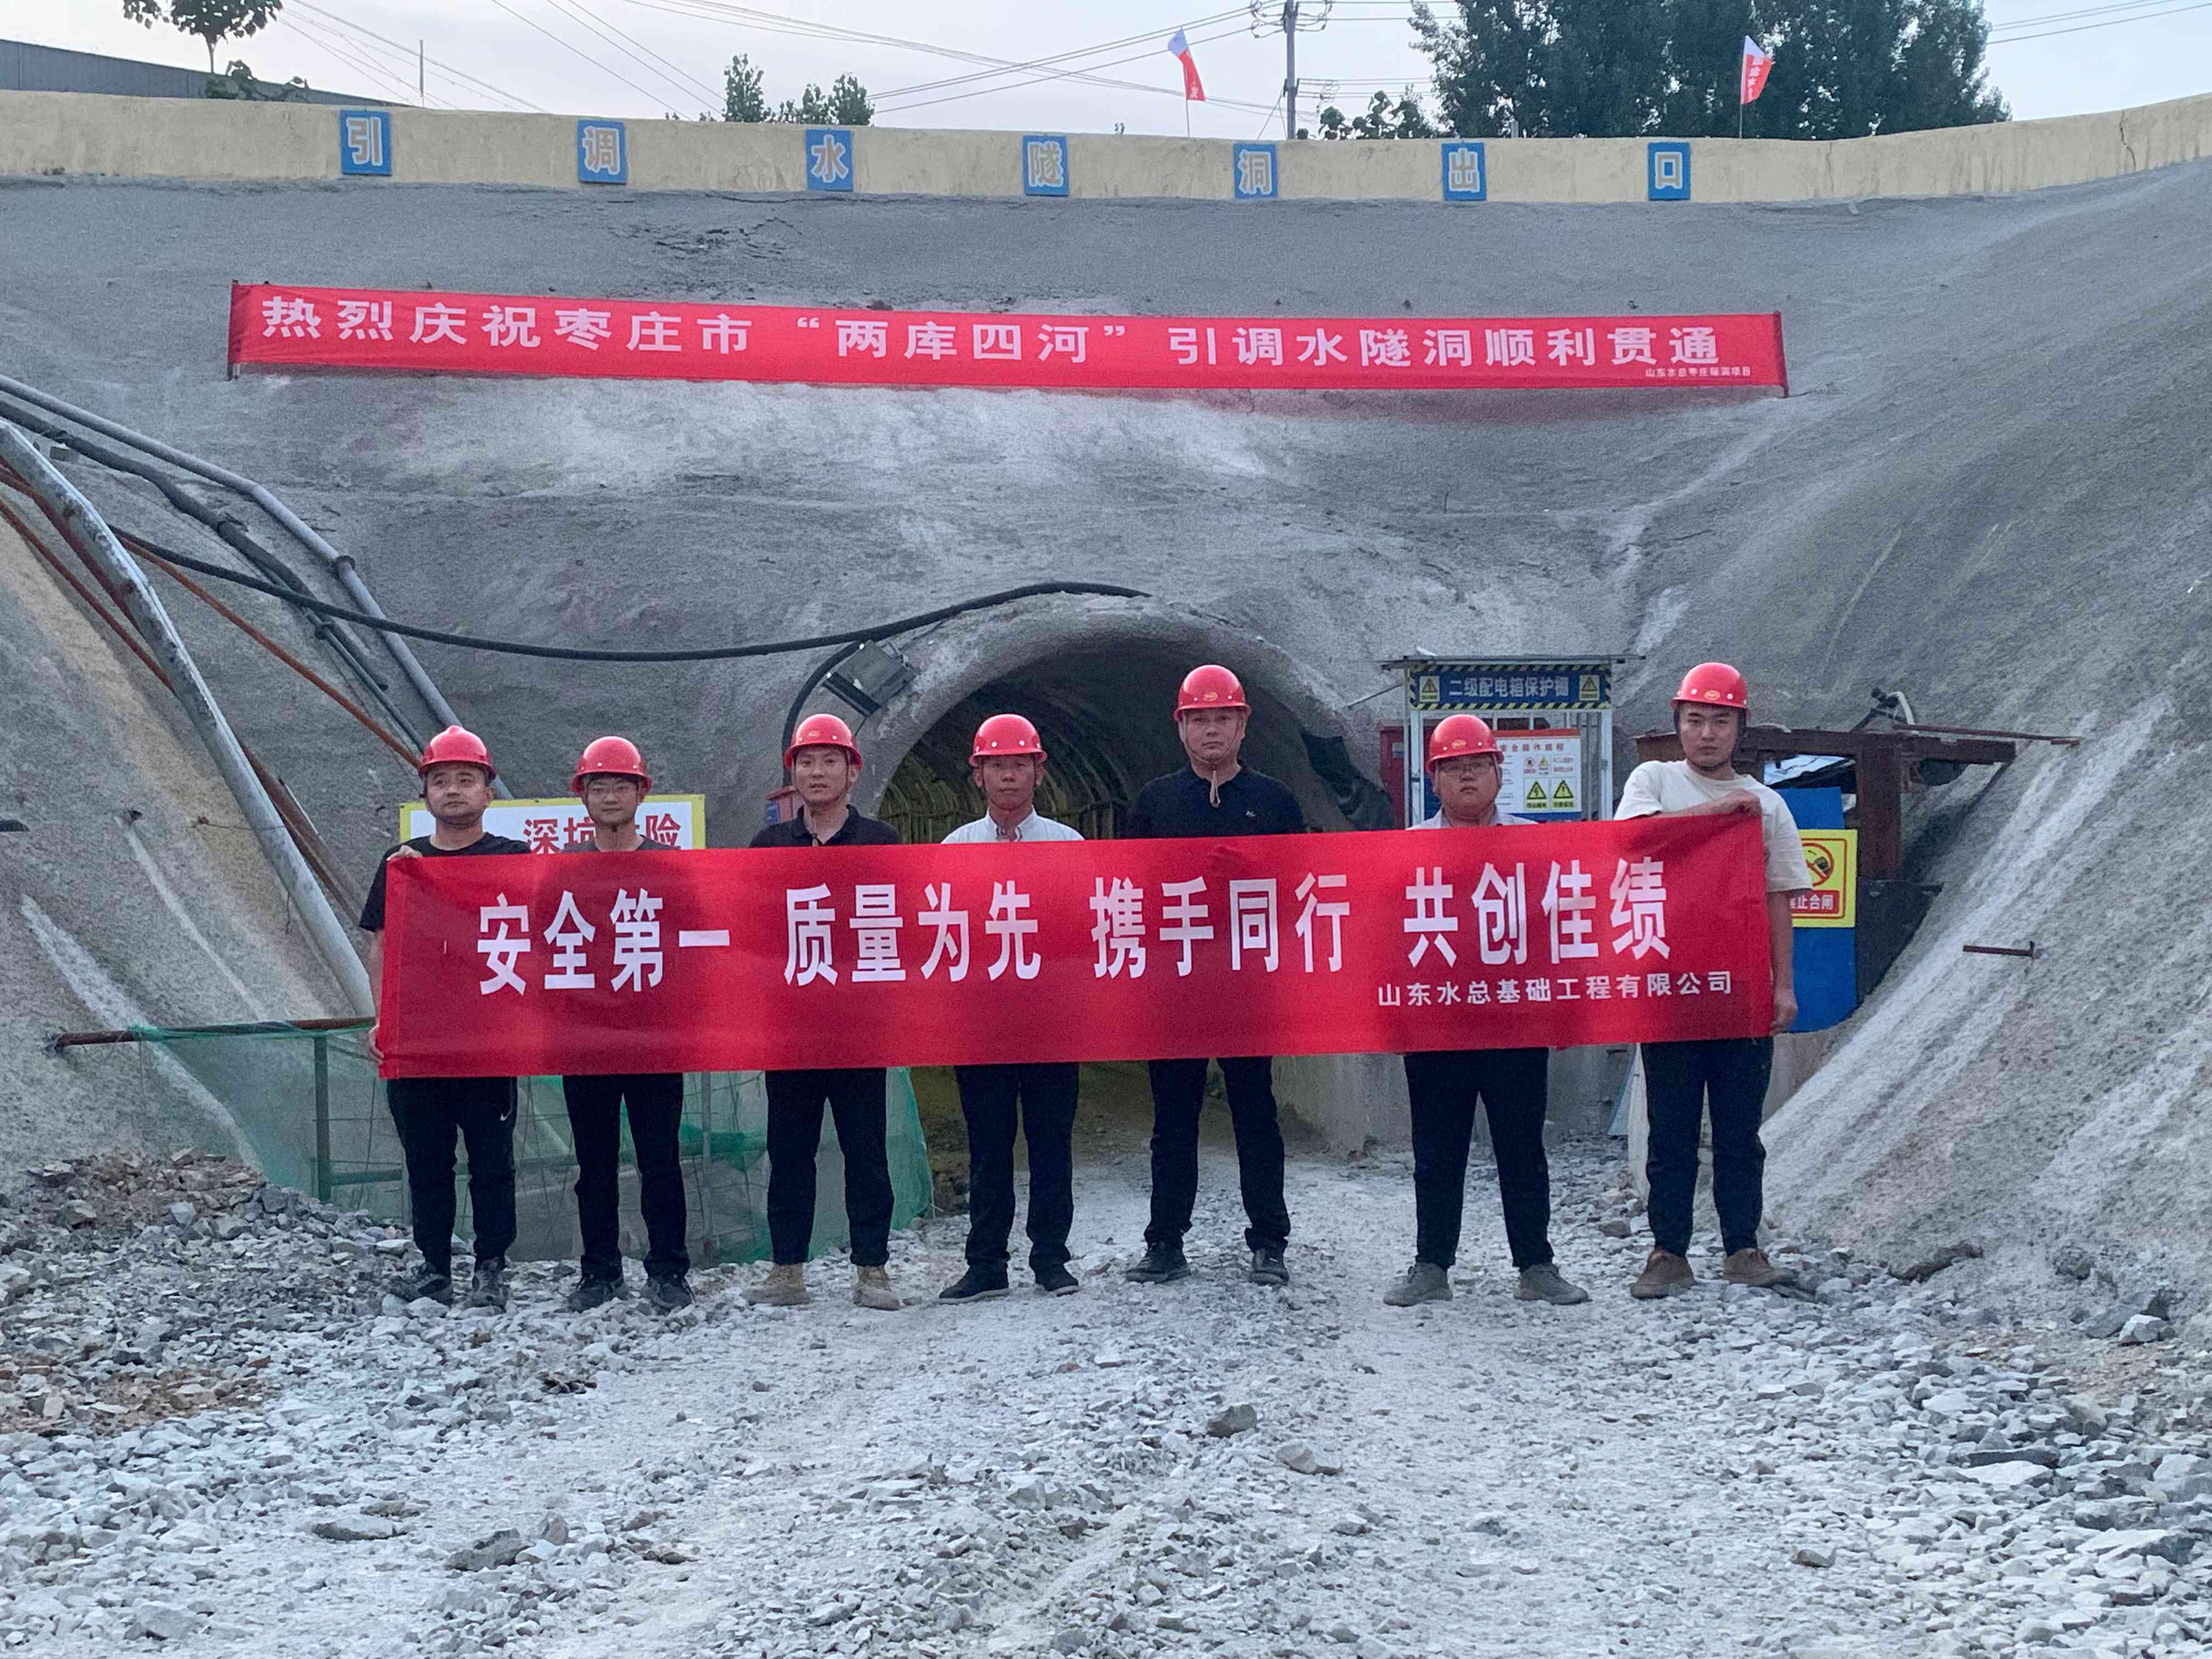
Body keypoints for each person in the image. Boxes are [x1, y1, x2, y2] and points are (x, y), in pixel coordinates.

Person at [1615, 662, 1812, 1299]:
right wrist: (1719, 814)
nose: (1706, 733)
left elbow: (1780, 897)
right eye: (1695, 719)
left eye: (1720, 721)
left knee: (1738, 1132)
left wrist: (1784, 985)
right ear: (1678, 724)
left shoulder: (1769, 805)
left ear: (1739, 728)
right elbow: (1634, 842)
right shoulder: (1653, 781)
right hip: (1670, 988)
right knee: (1671, 1129)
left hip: (1742, 988)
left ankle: (1743, 1248)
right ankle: (1668, 1251)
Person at [1385, 715, 1588, 1309]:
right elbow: (1388, 943)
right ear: (1433, 780)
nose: (1467, 776)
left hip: (1516, 1024)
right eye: (1453, 767)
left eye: (1477, 764)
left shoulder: (1536, 846)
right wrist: (1392, 1016)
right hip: (1437, 1025)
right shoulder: (1406, 852)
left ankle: (1536, 1266)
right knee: (1436, 1151)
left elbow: (1558, 934)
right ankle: (1431, 1266)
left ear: (1500, 772)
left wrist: (1565, 1010)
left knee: (1521, 1148)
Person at [1122, 664, 1305, 1289]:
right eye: (1199, 719)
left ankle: (1269, 1241)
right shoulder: (1155, 803)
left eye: (1222, 718)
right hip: (1176, 987)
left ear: (1243, 724)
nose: (1211, 730)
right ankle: (1165, 1241)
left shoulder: (1275, 801)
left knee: (1256, 1113)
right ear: (1180, 728)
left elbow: (1299, 889)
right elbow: (1131, 891)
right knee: (1173, 1117)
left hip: (1249, 986)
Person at [359, 726, 527, 1312]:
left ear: (488, 792)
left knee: (491, 1159)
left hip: (487, 1038)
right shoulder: (401, 863)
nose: (453, 790)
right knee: (426, 1159)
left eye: (466, 779)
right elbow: (382, 945)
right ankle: (433, 1266)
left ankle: (491, 1267)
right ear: (425, 793)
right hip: (420, 1039)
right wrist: (384, 1020)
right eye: (440, 780)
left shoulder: (513, 860)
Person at [743, 713, 906, 1312]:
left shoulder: (881, 842)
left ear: (852, 772)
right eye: (806, 762)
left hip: (860, 1026)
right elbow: (754, 930)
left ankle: (873, 1269)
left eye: (829, 761)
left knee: (866, 1149)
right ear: (794, 774)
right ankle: (788, 1268)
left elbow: (901, 924)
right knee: (789, 1149)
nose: (817, 772)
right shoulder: (768, 846)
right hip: (791, 1028)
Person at [935, 714, 1085, 1304]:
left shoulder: (1068, 847)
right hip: (982, 1028)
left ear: (1038, 772)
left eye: (1019, 764)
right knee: (989, 1147)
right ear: (978, 775)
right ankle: (986, 1263)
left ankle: (1050, 1259)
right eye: (996, 765)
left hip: (1052, 1025)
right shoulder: (955, 850)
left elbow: (1084, 933)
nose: (1008, 776)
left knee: (1051, 1145)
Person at [558, 737, 693, 1316]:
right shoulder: (563, 870)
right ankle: (600, 1272)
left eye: (621, 786)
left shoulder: (670, 869)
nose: (610, 796)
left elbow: (694, 948)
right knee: (594, 1165)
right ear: (583, 797)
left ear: (642, 794)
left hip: (654, 1040)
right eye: (599, 787)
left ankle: (669, 1272)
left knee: (660, 1159)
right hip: (585, 1040)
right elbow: (542, 949)